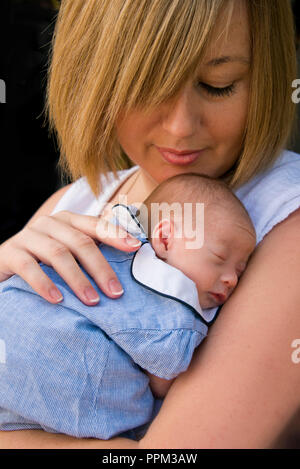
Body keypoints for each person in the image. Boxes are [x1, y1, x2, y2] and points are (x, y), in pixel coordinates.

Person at [0, 0, 300, 449]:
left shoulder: (286, 223)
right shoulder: (74, 201)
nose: (181, 127)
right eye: (148, 84)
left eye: (218, 85)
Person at [0, 173, 256, 440]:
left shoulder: (107, 226)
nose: (232, 279)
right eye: (219, 258)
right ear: (165, 238)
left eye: (241, 270)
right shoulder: (170, 301)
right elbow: (162, 374)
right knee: (141, 405)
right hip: (61, 382)